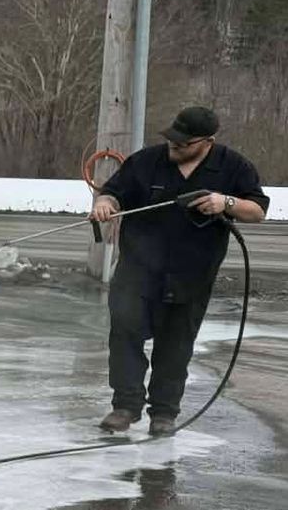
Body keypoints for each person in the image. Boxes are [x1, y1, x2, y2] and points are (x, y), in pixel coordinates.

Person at [90, 106, 268, 437]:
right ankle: (125, 407)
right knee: (125, 337)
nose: (176, 146)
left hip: (191, 276)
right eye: (173, 139)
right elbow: (113, 192)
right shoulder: (146, 162)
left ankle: (164, 414)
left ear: (208, 141)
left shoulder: (233, 166)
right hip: (137, 273)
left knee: (175, 347)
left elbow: (257, 210)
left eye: (184, 143)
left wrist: (225, 202)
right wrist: (105, 204)